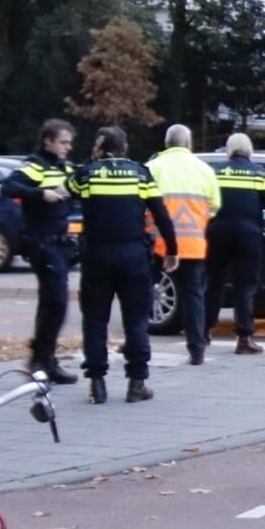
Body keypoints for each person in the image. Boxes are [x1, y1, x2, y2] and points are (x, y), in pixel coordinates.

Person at [71, 126, 177, 404]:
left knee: (95, 320)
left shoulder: (87, 173)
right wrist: (172, 249)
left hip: (96, 255)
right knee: (136, 320)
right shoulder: (140, 173)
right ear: (125, 146)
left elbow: (69, 193)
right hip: (133, 257)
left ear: (99, 145)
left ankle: (97, 383)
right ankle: (136, 383)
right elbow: (161, 213)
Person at [0, 119, 80, 385]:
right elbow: (8, 187)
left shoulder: (65, 166)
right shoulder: (35, 165)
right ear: (48, 140)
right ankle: (40, 359)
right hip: (42, 240)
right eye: (63, 142)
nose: (68, 147)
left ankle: (44, 359)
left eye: (69, 142)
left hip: (60, 241)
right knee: (55, 301)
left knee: (53, 303)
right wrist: (40, 194)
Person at [147, 125, 221, 365]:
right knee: (193, 297)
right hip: (192, 244)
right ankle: (196, 349)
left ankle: (135, 340)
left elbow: (140, 202)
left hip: (156, 242)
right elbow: (215, 206)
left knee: (143, 292)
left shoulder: (153, 167)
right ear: (189, 144)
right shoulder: (204, 170)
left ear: (166, 143)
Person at [206, 133, 265, 356]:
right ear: (249, 149)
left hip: (218, 231)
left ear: (229, 149)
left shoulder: (216, 171)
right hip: (249, 233)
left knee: (214, 283)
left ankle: (204, 331)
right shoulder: (260, 173)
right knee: (245, 286)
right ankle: (244, 337)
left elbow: (206, 202)